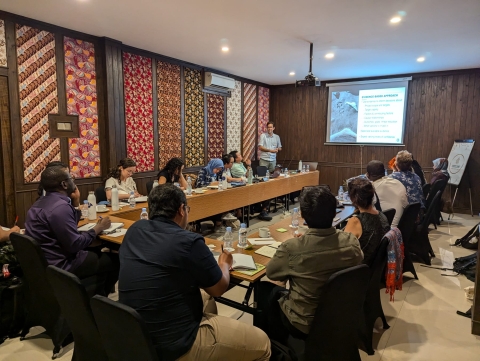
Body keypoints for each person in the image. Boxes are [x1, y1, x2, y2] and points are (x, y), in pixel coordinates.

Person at [118, 184, 271, 361]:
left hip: (134, 336)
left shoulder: (135, 230)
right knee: (263, 344)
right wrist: (223, 263)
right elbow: (218, 288)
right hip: (173, 345)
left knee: (207, 299)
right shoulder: (188, 241)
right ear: (182, 210)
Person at [256, 186, 363, 343]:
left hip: (303, 323)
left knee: (265, 289)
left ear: (303, 216)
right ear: (334, 213)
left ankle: (270, 347)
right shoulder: (351, 242)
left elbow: (271, 273)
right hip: (341, 316)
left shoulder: (291, 248)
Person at [25, 166, 119, 296]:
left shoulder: (39, 203)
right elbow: (75, 244)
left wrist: (76, 202)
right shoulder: (60, 207)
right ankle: (96, 299)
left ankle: (94, 292)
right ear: (64, 184)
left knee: (95, 250)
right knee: (116, 260)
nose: (73, 182)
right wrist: (99, 228)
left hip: (48, 260)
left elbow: (68, 228)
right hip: (63, 264)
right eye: (71, 178)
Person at [344, 178, 390, 266]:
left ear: (353, 198)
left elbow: (345, 249)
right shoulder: (382, 216)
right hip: (375, 266)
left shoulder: (355, 222)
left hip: (359, 268)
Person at [229, 150, 272, 221]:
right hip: (245, 186)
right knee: (265, 190)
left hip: (251, 182)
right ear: (236, 158)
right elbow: (246, 176)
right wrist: (249, 165)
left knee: (266, 188)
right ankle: (263, 211)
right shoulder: (235, 166)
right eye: (239, 155)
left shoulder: (240, 164)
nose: (241, 155)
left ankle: (263, 210)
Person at [366, 160, 408, 227]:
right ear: (384, 172)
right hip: (401, 227)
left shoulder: (372, 188)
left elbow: (364, 207)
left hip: (386, 230)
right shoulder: (397, 182)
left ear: (367, 175)